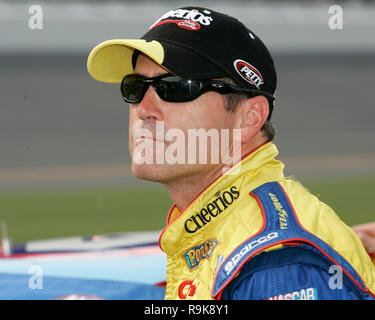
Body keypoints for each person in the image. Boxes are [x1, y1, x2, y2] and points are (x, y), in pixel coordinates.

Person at [87, 7, 375, 300]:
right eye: (135, 87)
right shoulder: (224, 233)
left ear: (249, 118)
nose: (144, 110)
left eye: (175, 87)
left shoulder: (275, 265)